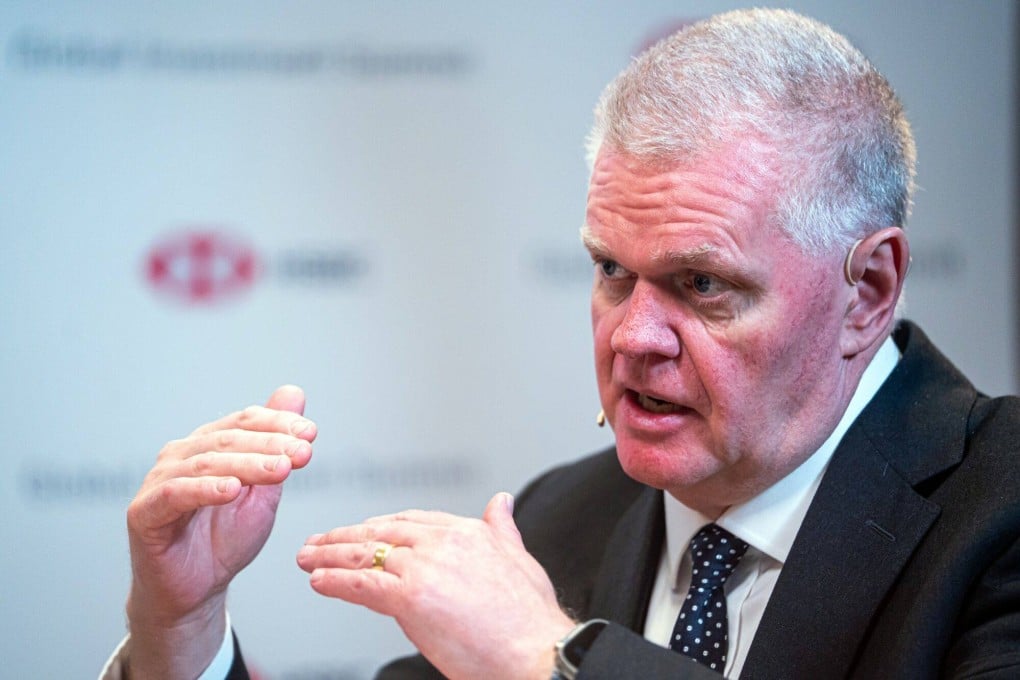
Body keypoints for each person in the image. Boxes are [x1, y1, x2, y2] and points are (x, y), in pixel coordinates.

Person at [103, 8, 1020, 679]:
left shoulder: (1000, 507)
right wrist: (181, 628)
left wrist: (552, 660)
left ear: (867, 291)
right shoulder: (560, 517)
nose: (633, 336)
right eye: (612, 270)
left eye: (702, 285)